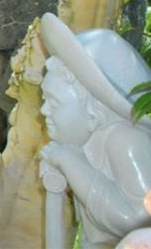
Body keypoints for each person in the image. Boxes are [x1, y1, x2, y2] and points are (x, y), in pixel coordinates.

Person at [39, 13, 151, 248]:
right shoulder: (87, 141)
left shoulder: (124, 140)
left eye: (54, 103)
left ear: (94, 112)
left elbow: (140, 217)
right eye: (44, 100)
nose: (44, 110)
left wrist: (72, 164)